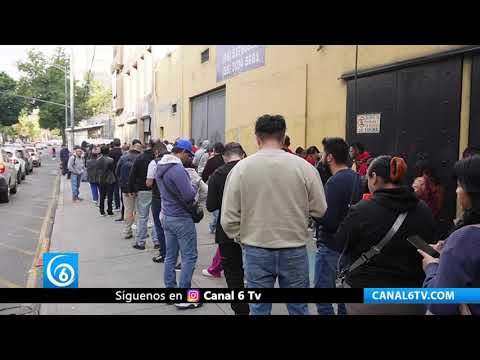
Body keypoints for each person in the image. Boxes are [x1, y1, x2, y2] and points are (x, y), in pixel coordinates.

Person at [221, 114, 327, 315]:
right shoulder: (304, 167)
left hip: (256, 247)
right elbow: (320, 209)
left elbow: (228, 218)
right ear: (283, 135)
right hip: (294, 247)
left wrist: (242, 238)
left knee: (259, 308)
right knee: (298, 308)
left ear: (257, 138)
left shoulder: (241, 169)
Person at [335, 155, 435, 315]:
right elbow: (428, 249)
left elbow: (341, 243)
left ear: (374, 178)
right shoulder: (423, 210)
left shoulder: (362, 210)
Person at [419, 155, 480, 315]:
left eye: (460, 185)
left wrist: (432, 267)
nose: (456, 191)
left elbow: (439, 304)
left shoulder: (463, 240)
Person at [313, 138, 363, 315]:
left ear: (329, 157)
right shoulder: (358, 178)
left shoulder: (334, 183)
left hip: (331, 246)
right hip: (351, 247)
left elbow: (329, 220)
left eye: (324, 153)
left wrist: (314, 213)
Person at [155, 139, 201, 309]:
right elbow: (189, 195)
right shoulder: (177, 169)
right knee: (189, 256)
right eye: (189, 155)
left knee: (170, 256)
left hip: (166, 216)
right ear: (181, 152)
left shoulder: (160, 165)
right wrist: (195, 183)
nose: (190, 158)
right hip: (181, 218)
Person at [206, 142, 249, 315]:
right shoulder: (251, 170)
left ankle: (240, 309)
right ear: (242, 154)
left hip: (227, 230)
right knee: (256, 272)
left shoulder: (218, 174)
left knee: (233, 273)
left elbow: (210, 205)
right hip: (252, 227)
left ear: (224, 156)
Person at [128, 139, 160, 250]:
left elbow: (132, 174)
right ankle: (157, 241)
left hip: (142, 190)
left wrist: (131, 189)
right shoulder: (159, 158)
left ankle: (141, 242)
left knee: (142, 217)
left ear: (147, 145)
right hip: (157, 190)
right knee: (157, 217)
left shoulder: (140, 158)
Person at [146, 141, 169, 263]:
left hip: (158, 197)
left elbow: (149, 183)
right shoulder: (174, 161)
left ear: (156, 152)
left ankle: (164, 253)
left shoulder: (154, 163)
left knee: (159, 226)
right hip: (172, 198)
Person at [116, 140, 143, 237]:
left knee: (128, 209)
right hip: (138, 188)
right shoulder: (141, 158)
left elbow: (117, 172)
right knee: (140, 210)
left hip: (126, 189)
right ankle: (140, 231)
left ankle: (127, 231)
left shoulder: (123, 158)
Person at [201, 142, 225, 235]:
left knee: (216, 210)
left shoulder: (211, 160)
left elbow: (205, 174)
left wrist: (202, 183)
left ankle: (213, 225)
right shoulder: (225, 159)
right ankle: (215, 225)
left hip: (214, 187)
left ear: (214, 150)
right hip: (225, 187)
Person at [95, 145, 116, 216]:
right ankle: (110, 210)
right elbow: (113, 170)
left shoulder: (98, 160)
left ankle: (102, 210)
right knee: (110, 195)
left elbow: (97, 170)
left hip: (101, 179)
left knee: (102, 195)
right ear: (108, 151)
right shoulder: (111, 160)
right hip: (110, 179)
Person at [109, 138, 123, 212]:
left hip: (114, 172)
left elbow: (109, 162)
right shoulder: (122, 151)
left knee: (116, 189)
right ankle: (123, 205)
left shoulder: (111, 152)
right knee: (122, 189)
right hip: (122, 172)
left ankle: (117, 205)